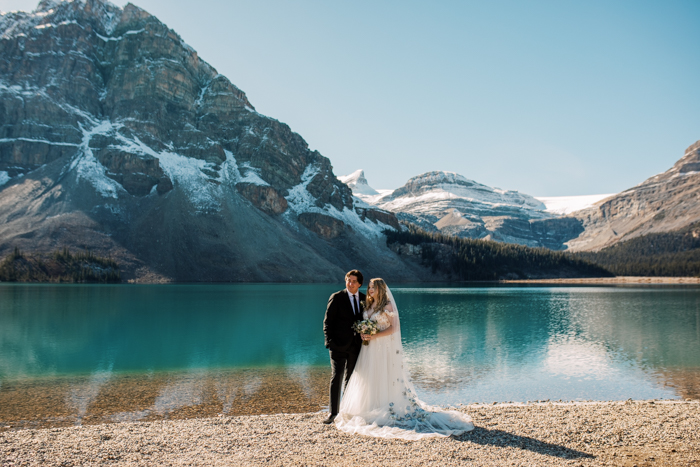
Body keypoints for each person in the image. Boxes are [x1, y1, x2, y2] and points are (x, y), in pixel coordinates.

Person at [334, 278, 474, 440]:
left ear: (381, 289)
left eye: (374, 287)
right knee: (370, 375)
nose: (370, 290)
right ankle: (371, 406)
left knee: (384, 374)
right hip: (368, 349)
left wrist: (375, 335)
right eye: (370, 287)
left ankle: (386, 407)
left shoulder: (387, 305)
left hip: (382, 347)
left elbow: (393, 328)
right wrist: (363, 332)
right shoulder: (369, 305)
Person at [322, 269, 366, 424]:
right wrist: (330, 343)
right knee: (337, 377)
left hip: (356, 346)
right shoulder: (337, 297)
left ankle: (347, 411)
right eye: (348, 280)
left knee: (351, 379)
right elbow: (327, 323)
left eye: (354, 281)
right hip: (338, 346)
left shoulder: (364, 299)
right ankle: (333, 413)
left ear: (360, 284)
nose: (350, 283)